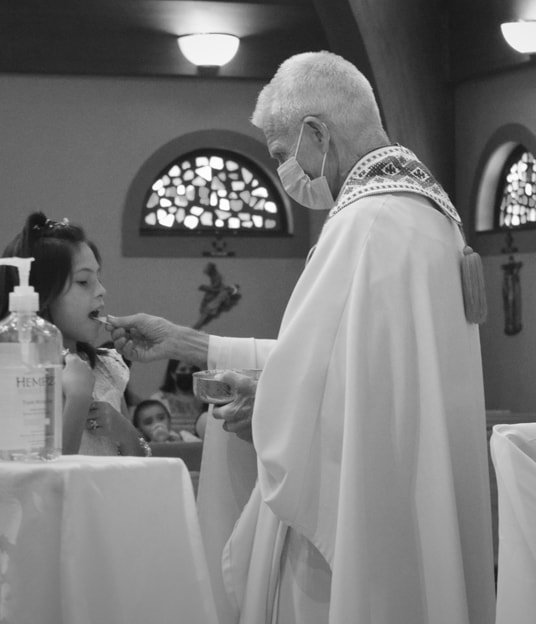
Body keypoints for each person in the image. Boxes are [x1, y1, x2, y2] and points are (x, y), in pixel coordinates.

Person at [110, 51, 495, 624]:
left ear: (316, 133)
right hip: (412, 502)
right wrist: (187, 345)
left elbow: (327, 390)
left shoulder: (361, 225)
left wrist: (264, 402)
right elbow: (352, 372)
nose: (287, 175)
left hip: (354, 529)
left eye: (283, 156)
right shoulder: (428, 217)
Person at [0, 212, 148, 457]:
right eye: (83, 282)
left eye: (98, 277)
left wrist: (124, 430)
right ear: (41, 294)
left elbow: (143, 464)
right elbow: (44, 479)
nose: (101, 290)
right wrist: (77, 398)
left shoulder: (106, 368)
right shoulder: (15, 378)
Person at [150, 359, 206, 438]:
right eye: (183, 369)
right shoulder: (159, 399)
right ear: (173, 374)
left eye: (192, 370)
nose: (188, 373)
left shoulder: (204, 399)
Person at [132, 398, 199, 443]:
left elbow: (200, 451)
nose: (157, 424)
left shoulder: (184, 436)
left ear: (169, 419)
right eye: (148, 422)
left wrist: (181, 444)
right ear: (140, 430)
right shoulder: (140, 448)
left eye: (161, 418)